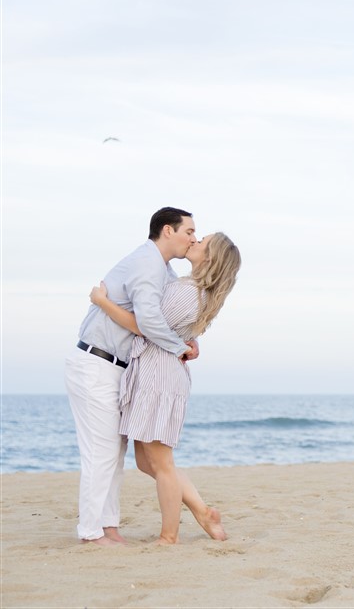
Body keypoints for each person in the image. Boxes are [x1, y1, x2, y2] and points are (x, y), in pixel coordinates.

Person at [89, 231, 241, 545]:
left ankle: (169, 536)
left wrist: (102, 302)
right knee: (148, 462)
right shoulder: (193, 290)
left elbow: (147, 327)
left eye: (203, 242)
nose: (195, 241)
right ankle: (203, 511)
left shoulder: (187, 291)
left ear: (210, 258)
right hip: (156, 376)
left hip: (159, 380)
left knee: (162, 463)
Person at [65, 207, 199, 546]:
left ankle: (107, 527)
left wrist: (191, 340)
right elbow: (150, 324)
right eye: (189, 231)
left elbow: (169, 318)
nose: (193, 239)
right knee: (101, 451)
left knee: (114, 450)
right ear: (168, 231)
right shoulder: (146, 264)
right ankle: (91, 531)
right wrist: (177, 348)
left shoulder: (163, 270)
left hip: (116, 368)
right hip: (96, 362)